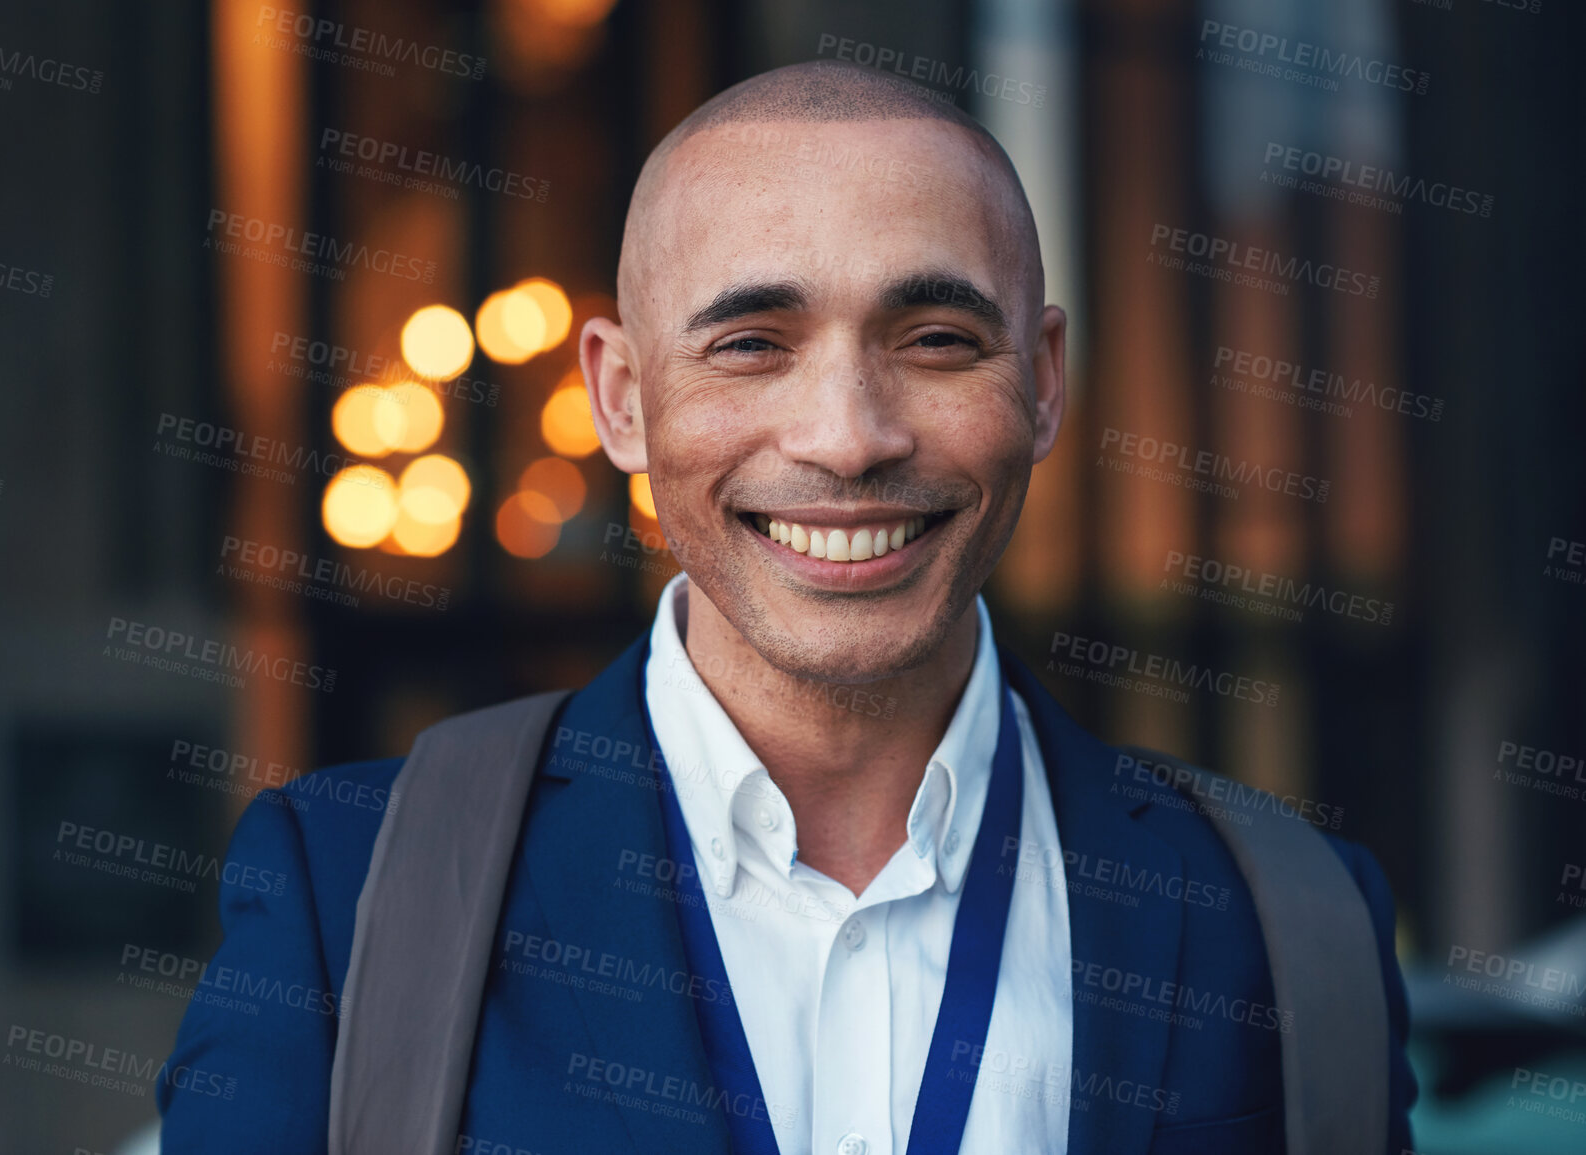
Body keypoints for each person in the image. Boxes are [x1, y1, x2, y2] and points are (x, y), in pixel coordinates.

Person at [157, 60, 1417, 1154]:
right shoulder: (348, 897)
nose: (849, 439)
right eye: (753, 342)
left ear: (1040, 383)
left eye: (934, 340)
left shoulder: (1285, 920)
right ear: (623, 400)